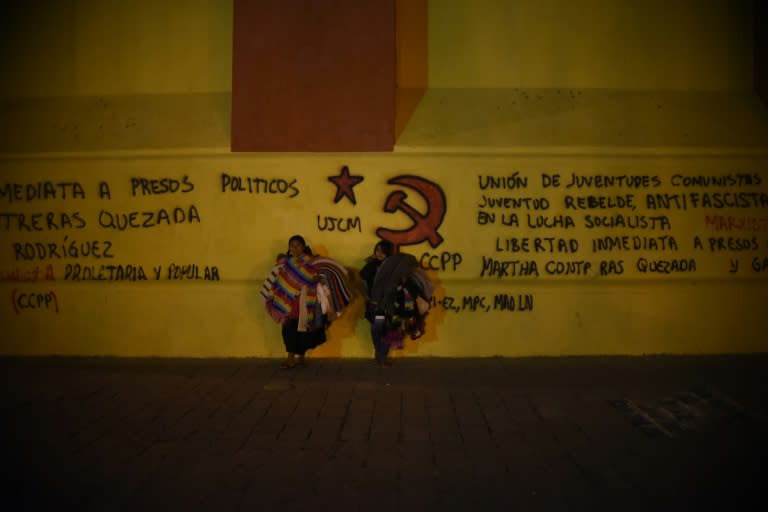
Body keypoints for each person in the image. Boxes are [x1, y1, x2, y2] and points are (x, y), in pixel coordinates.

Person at [261, 235, 352, 369]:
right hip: (289, 304)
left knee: (303, 331)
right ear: (289, 248)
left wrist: (318, 279)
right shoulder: (286, 263)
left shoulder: (312, 263)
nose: (295, 248)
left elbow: (321, 279)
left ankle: (301, 358)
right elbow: (279, 282)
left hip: (305, 303)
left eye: (297, 245)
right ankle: (290, 358)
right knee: (288, 330)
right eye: (292, 246)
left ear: (303, 247)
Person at [361, 240, 433, 366]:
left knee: (388, 329)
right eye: (377, 250)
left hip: (391, 306)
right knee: (377, 329)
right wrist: (374, 262)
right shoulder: (372, 265)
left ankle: (381, 356)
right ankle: (380, 353)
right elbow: (363, 274)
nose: (379, 253)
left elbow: (407, 283)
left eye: (382, 251)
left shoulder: (396, 268)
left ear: (388, 252)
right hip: (377, 305)